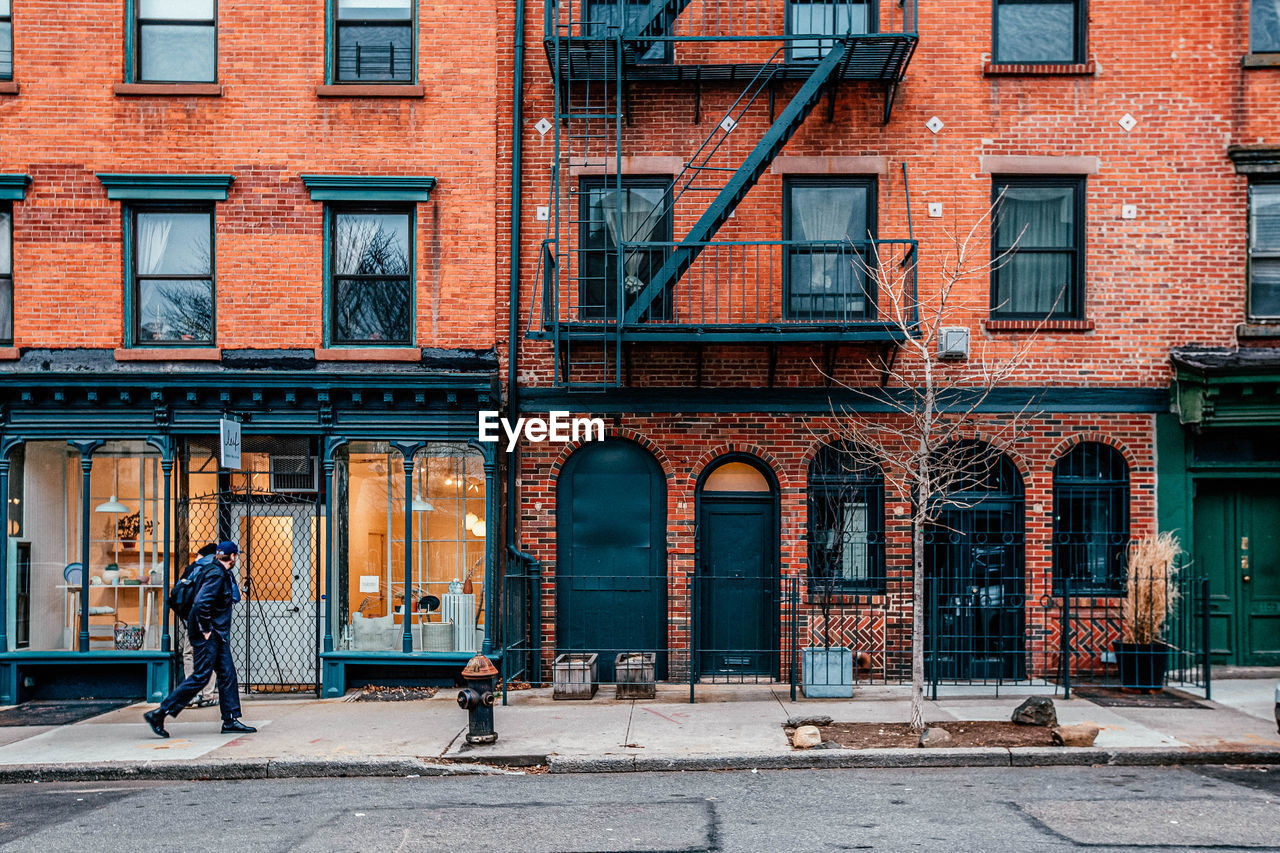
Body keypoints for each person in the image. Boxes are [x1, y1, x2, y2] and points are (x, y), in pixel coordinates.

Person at [144, 540, 257, 737]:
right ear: (232, 557)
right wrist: (206, 630)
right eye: (236, 555)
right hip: (209, 634)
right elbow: (201, 603)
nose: (236, 558)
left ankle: (230, 719)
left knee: (227, 673)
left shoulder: (216, 570)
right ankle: (159, 713)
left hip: (217, 634)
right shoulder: (215, 573)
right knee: (201, 676)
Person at [180, 542, 220, 709]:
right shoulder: (217, 569)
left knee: (189, 653)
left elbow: (179, 593)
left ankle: (192, 694)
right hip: (212, 618)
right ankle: (208, 694)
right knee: (210, 655)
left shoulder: (191, 569)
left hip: (192, 618)